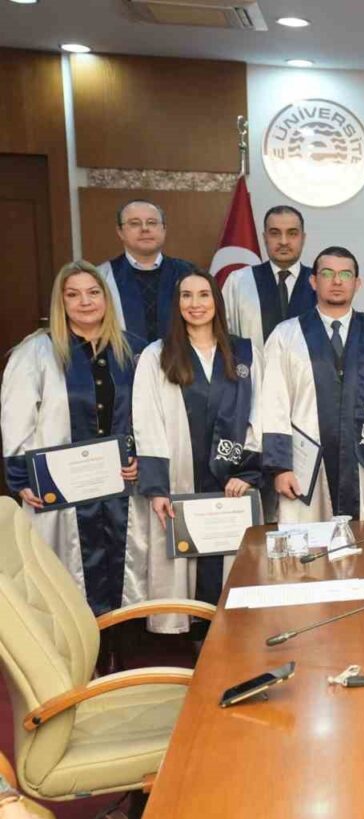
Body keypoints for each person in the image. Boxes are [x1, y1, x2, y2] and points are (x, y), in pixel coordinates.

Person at [1, 261, 147, 616]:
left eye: (93, 292)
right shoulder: (36, 353)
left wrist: (143, 458)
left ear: (106, 298)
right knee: (67, 581)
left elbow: (151, 415)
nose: (85, 301)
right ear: (61, 302)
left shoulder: (134, 351)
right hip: (60, 491)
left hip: (123, 487)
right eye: (73, 294)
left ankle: (122, 638)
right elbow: (17, 418)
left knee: (125, 574)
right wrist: (22, 478)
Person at [133, 270, 261, 634]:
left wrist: (247, 471)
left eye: (203, 294)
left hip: (232, 479)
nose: (195, 304)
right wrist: (157, 487)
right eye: (186, 296)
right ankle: (193, 636)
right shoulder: (157, 354)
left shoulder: (245, 352)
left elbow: (261, 411)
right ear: (176, 304)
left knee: (232, 564)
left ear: (216, 301)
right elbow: (146, 419)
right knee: (185, 565)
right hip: (181, 475)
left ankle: (231, 634)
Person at [260, 247, 364, 522]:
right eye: (327, 273)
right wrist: (280, 467)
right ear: (313, 281)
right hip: (305, 467)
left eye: (345, 274)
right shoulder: (286, 335)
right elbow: (273, 403)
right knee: (308, 542)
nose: (336, 281)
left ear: (357, 283)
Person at [97, 199, 195, 342]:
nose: (144, 229)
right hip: (123, 356)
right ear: (120, 231)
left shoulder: (189, 273)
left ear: (164, 229)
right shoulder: (101, 277)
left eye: (152, 222)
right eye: (134, 223)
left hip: (180, 355)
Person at [222, 205, 315, 349]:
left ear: (303, 238)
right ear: (265, 238)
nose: (283, 241)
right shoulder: (239, 281)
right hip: (252, 364)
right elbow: (222, 334)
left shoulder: (319, 283)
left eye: (292, 233)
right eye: (275, 233)